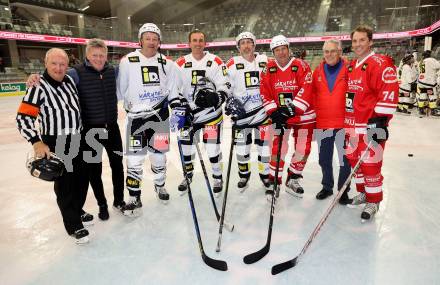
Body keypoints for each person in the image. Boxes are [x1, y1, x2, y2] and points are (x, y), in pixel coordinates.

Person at [26, 39, 125, 222]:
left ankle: (119, 200)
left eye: (102, 55)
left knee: (117, 165)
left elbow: (128, 70)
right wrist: (35, 77)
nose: (98, 59)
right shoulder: (75, 73)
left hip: (112, 127)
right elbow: (55, 73)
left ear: (106, 56)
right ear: (86, 55)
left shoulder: (113, 71)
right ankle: (102, 204)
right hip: (90, 131)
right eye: (94, 55)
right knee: (94, 171)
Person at [16, 48, 88, 244]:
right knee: (65, 184)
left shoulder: (70, 81)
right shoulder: (37, 86)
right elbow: (23, 118)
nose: (58, 67)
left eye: (62, 64)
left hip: (77, 138)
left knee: (81, 179)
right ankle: (73, 225)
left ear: (67, 65)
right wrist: (36, 141)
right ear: (45, 63)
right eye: (54, 63)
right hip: (57, 140)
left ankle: (78, 210)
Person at [117, 23, 180, 216]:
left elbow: (174, 90)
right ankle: (134, 196)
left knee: (159, 157)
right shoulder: (128, 60)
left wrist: (177, 110)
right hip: (136, 120)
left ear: (159, 42)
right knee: (134, 160)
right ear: (140, 40)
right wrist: (132, 108)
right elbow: (122, 89)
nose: (151, 42)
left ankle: (160, 185)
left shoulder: (167, 63)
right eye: (148, 38)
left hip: (160, 119)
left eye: (155, 38)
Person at [345, 25, 398, 221]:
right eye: (355, 41)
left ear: (370, 41)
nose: (358, 44)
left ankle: (374, 200)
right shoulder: (352, 65)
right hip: (351, 126)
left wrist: (380, 122)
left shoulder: (380, 63)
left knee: (370, 164)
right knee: (354, 162)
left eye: (362, 40)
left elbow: (389, 92)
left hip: (370, 127)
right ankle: (364, 192)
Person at [175, 29, 230, 196]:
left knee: (212, 148)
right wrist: (181, 107)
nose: (198, 43)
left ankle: (217, 176)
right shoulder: (180, 63)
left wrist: (217, 97)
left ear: (205, 43)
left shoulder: (216, 61)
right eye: (194, 40)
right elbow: (174, 89)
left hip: (211, 115)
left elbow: (225, 85)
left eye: (201, 40)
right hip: (187, 115)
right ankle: (188, 175)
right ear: (189, 43)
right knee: (186, 147)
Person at [260, 35, 316, 200]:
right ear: (273, 52)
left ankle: (293, 178)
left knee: (303, 149)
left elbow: (307, 88)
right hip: (279, 117)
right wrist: (274, 112)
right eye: (277, 50)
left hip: (303, 115)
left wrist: (291, 110)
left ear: (288, 49)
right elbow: (264, 91)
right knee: (277, 149)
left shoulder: (301, 65)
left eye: (284, 48)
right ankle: (274, 181)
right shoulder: (268, 69)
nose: (281, 52)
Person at [225, 32, 272, 192]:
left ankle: (265, 175)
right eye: (242, 43)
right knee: (241, 148)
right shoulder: (232, 63)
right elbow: (226, 86)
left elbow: (272, 82)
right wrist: (228, 102)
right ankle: (243, 175)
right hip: (242, 115)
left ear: (254, 45)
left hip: (262, 114)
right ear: (238, 47)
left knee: (264, 148)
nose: (246, 46)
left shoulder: (264, 61)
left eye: (248, 42)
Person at [311, 39, 352, 204]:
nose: (329, 54)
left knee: (345, 161)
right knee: (324, 159)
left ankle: (343, 191)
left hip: (344, 123)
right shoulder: (317, 71)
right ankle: (327, 186)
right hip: (323, 123)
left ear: (340, 52)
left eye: (333, 51)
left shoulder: (350, 69)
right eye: (326, 51)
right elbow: (312, 95)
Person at [417, 50, 440, 116]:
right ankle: (433, 111)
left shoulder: (420, 62)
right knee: (432, 95)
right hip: (429, 82)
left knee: (422, 95)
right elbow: (438, 66)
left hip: (421, 82)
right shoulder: (431, 60)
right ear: (429, 54)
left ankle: (421, 109)